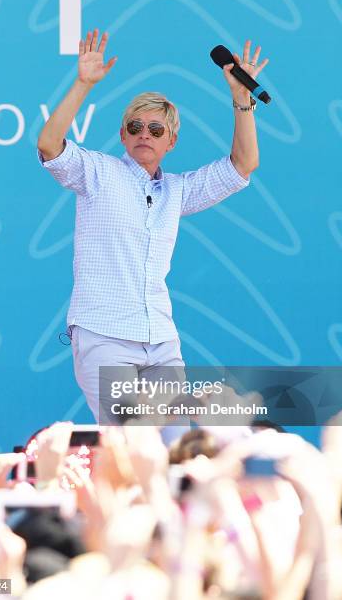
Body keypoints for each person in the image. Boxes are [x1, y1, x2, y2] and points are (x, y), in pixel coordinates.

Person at [37, 29, 268, 423]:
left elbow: (242, 165)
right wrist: (83, 83)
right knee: (130, 449)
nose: (145, 134)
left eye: (156, 129)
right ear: (123, 136)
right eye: (136, 127)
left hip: (161, 342)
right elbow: (48, 145)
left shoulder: (176, 191)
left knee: (174, 443)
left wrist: (241, 99)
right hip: (105, 335)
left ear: (171, 142)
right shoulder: (98, 172)